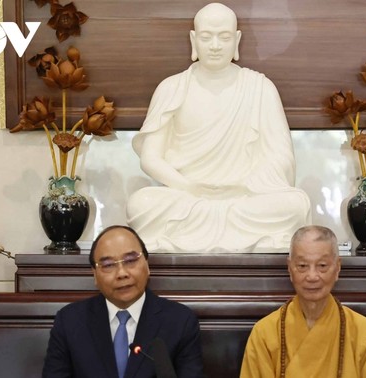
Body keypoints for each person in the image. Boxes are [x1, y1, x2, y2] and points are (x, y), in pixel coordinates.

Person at [126, 2, 311, 253]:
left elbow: (282, 159)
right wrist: (188, 187)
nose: (214, 46)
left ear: (236, 41)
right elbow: (150, 158)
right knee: (142, 203)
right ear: (193, 39)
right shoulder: (172, 88)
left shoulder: (260, 88)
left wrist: (243, 184)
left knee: (295, 205)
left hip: (245, 196)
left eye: (223, 38)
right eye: (206, 37)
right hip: (187, 196)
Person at [42, 225, 205, 378]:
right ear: (95, 275)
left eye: (131, 261)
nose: (121, 273)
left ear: (147, 266)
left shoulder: (180, 322)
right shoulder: (70, 322)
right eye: (108, 265)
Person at [240, 225, 366, 378]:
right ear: (290, 268)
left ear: (337, 267)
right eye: (302, 266)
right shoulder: (265, 333)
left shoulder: (363, 332)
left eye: (322, 266)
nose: (312, 276)